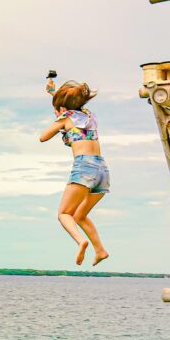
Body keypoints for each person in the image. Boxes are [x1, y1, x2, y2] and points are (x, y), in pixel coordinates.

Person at [40, 78, 109, 266]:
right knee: (79, 215)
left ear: (61, 109)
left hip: (84, 167)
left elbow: (43, 137)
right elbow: (72, 108)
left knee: (64, 214)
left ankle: (81, 241)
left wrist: (59, 119)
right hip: (102, 170)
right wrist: (54, 93)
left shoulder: (65, 118)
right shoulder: (89, 115)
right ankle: (100, 250)